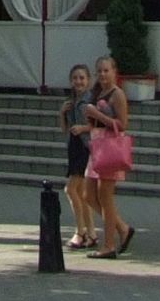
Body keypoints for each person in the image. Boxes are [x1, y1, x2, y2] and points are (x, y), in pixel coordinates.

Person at [87, 53, 136, 259]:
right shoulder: (99, 92)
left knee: (105, 197)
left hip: (110, 147)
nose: (103, 75)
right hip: (96, 145)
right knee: (89, 195)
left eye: (106, 70)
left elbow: (123, 124)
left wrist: (99, 116)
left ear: (114, 72)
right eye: (99, 71)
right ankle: (122, 228)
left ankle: (108, 245)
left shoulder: (117, 94)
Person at [56, 63, 99, 249]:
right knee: (81, 193)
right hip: (74, 147)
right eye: (75, 78)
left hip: (84, 148)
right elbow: (65, 129)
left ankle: (80, 231)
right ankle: (91, 233)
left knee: (70, 190)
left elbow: (97, 125)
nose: (78, 81)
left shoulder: (89, 100)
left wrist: (83, 128)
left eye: (82, 78)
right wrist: (61, 113)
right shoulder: (71, 101)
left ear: (88, 80)